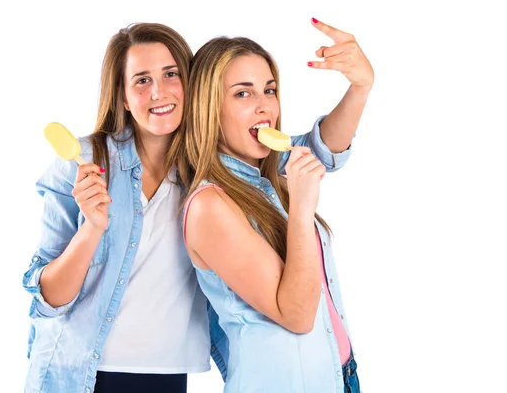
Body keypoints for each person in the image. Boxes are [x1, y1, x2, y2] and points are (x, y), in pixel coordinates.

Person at [22, 19, 366, 393]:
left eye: (171, 74)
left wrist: (361, 86)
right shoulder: (83, 163)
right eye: (141, 80)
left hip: (169, 374)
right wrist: (91, 228)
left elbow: (316, 151)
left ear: (193, 87)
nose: (159, 92)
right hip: (82, 374)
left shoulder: (208, 164)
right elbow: (49, 298)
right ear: (121, 95)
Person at [182, 20, 373, 392]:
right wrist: (301, 212)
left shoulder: (266, 177)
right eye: (242, 94)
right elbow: (297, 314)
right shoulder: (210, 206)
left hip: (340, 378)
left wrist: (361, 85)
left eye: (269, 90)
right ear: (208, 109)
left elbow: (326, 148)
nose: (263, 107)